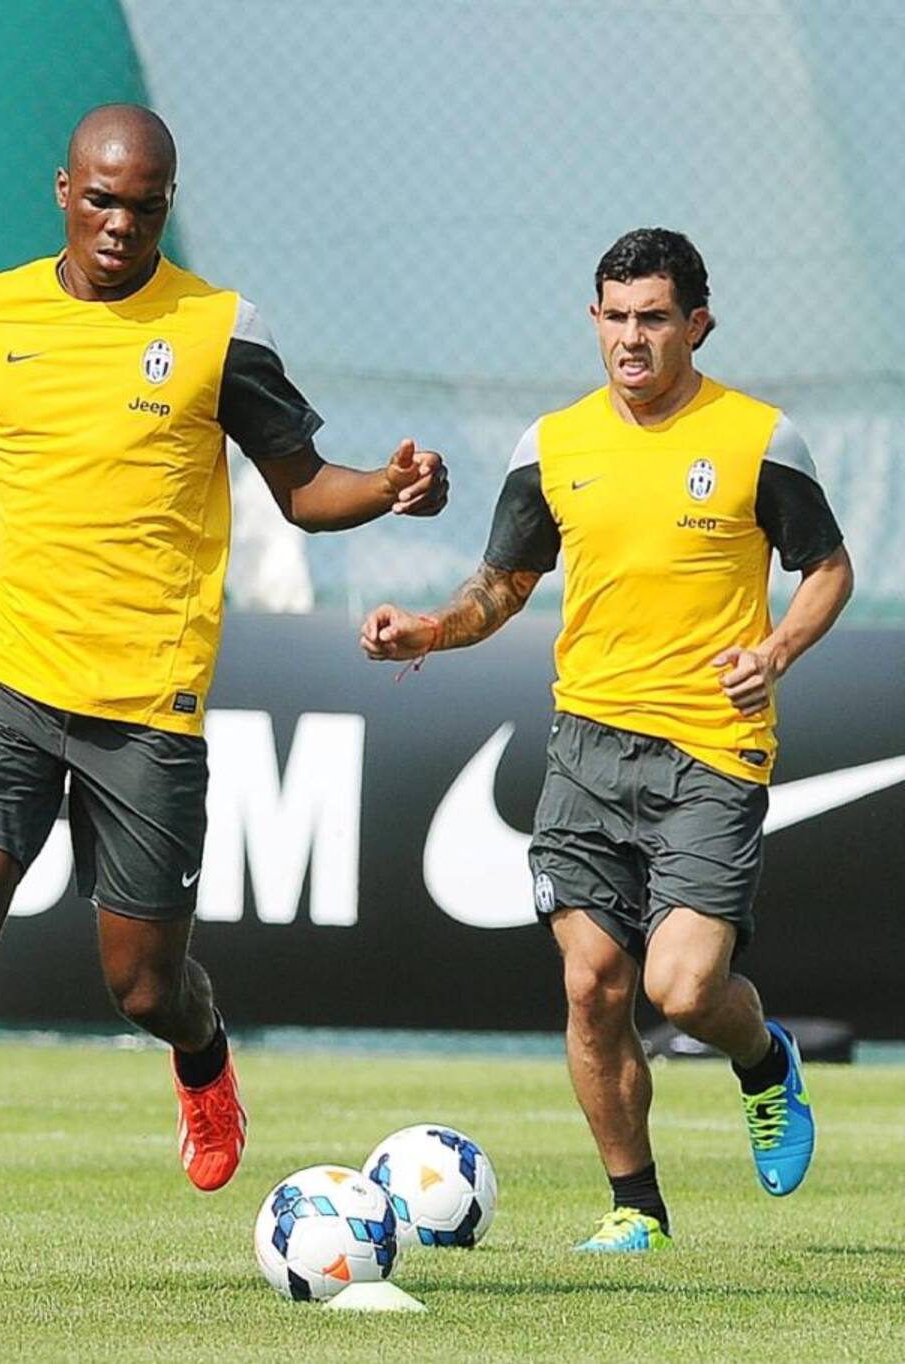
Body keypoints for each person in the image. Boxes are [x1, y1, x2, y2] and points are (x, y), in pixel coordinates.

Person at [0, 103, 448, 1289]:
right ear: (62, 190)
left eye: (145, 206)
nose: (120, 225)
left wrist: (390, 488)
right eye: (102, 199)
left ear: (166, 204)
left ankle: (200, 1050)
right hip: (5, 665)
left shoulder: (214, 329)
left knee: (141, 980)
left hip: (148, 692)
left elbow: (302, 488)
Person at [362, 228, 852, 1251]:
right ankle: (637, 1207)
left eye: (654, 318)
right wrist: (427, 631)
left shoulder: (760, 438)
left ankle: (763, 1061)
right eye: (616, 317)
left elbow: (828, 569)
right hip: (587, 745)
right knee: (594, 986)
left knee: (681, 987)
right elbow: (501, 586)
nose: (632, 339)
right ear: (595, 321)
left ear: (697, 325)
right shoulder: (552, 446)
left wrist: (778, 650)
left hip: (713, 749)